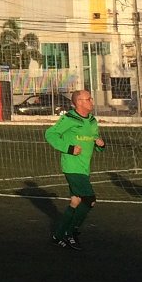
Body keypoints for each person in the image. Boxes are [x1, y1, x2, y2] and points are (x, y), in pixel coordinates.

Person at [44, 90, 104, 249]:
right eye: (88, 99)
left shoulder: (92, 120)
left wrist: (100, 144)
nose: (92, 101)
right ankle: (70, 232)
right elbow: (50, 134)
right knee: (89, 200)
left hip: (84, 168)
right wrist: (69, 148)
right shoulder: (69, 119)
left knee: (76, 201)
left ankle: (58, 235)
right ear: (79, 102)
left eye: (91, 98)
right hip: (72, 167)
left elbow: (94, 139)